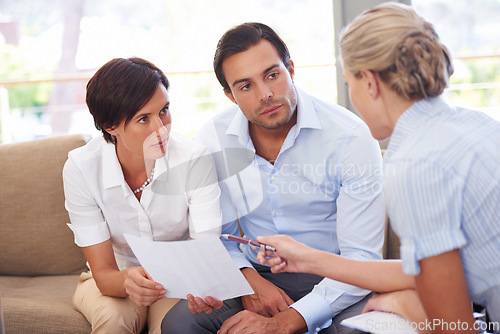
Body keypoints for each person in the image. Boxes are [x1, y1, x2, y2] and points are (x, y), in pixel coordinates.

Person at [257, 3, 500, 333]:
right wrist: (307, 258)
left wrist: (407, 305)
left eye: (348, 83)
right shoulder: (479, 124)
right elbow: (428, 268)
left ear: (369, 82)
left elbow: (455, 328)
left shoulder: (416, 166)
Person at [161, 22, 386, 334]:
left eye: (272, 75)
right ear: (230, 95)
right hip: (255, 274)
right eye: (245, 86)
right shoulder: (214, 137)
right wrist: (249, 283)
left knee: (361, 332)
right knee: (179, 325)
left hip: (336, 279)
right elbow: (220, 235)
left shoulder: (351, 138)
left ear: (290, 69)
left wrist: (288, 320)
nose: (265, 94)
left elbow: (362, 260)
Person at [63, 57, 222, 334]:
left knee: (172, 326)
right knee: (113, 320)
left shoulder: (194, 158)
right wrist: (127, 280)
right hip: (115, 280)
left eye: (164, 111)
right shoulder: (81, 168)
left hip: (178, 279)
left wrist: (201, 289)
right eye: (143, 119)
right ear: (111, 127)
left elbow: (204, 252)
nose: (160, 129)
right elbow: (104, 274)